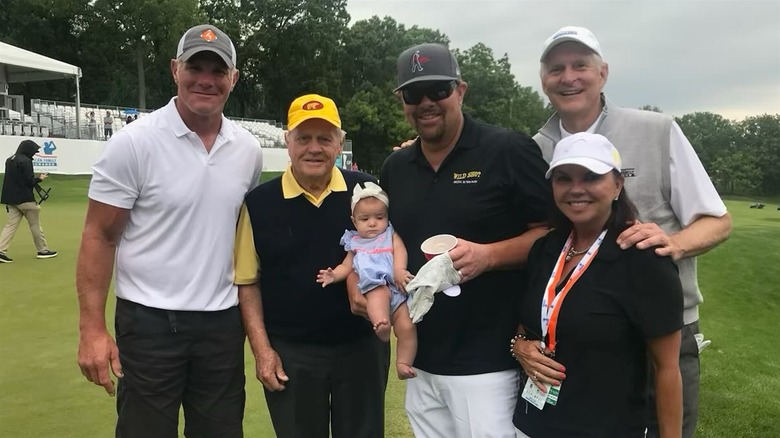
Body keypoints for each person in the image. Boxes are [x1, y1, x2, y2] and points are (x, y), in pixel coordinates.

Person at [529, 26, 732, 438]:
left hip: (662, 335)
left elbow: (718, 220)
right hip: (580, 340)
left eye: (580, 65)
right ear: (544, 80)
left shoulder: (655, 129)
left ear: (602, 73)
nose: (569, 77)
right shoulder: (535, 148)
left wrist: (672, 243)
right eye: (556, 68)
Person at [76, 24, 262, 438]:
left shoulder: (247, 150)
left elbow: (242, 237)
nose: (207, 80)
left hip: (220, 327)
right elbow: (99, 236)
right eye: (196, 66)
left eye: (219, 71)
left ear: (233, 78)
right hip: (149, 326)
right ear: (175, 69)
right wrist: (91, 328)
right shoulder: (135, 142)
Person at [374, 42, 552, 437]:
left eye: (438, 90)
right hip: (419, 359)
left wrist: (489, 256)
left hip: (489, 362)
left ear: (460, 90)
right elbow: (389, 237)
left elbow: (553, 235)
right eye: (412, 94)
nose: (426, 103)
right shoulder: (397, 166)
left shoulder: (508, 150)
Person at [234, 93, 389, 438]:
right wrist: (262, 351)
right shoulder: (259, 204)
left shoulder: (367, 191)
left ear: (340, 143)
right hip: (291, 353)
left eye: (324, 138)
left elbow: (390, 255)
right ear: (288, 142)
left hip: (362, 349)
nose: (314, 148)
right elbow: (248, 282)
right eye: (304, 138)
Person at [511, 132, 683, 438]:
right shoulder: (545, 249)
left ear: (617, 185)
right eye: (563, 178)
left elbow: (667, 369)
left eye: (591, 177)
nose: (576, 189)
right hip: (532, 426)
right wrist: (520, 346)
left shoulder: (644, 260)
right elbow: (530, 323)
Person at [316, 181, 417, 379]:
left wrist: (399, 270)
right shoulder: (355, 242)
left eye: (379, 217)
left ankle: (404, 362)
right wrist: (334, 275)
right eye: (365, 219)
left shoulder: (390, 234)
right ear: (354, 221)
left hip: (397, 287)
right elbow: (347, 266)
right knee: (377, 299)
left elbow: (400, 250)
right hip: (375, 285)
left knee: (407, 325)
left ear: (387, 217)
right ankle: (381, 325)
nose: (373, 223)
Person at [0, 139, 58, 263]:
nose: (34, 153)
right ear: (28, 150)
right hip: (25, 199)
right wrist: (40, 179)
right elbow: (29, 181)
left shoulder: (10, 160)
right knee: (35, 225)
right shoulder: (26, 161)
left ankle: (0, 251)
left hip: (11, 199)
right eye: (33, 151)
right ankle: (43, 250)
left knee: (10, 225)